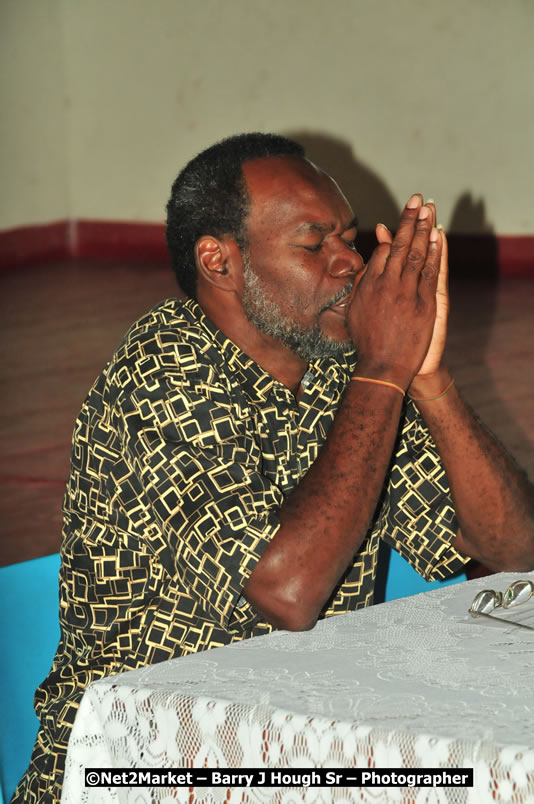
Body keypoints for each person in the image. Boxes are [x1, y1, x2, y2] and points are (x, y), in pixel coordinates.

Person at [13, 132, 534, 802]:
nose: (351, 262)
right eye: (314, 244)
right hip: (145, 762)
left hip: (295, 744)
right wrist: (383, 370)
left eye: (349, 237)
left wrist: (425, 376)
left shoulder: (346, 369)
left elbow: (514, 552)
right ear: (220, 262)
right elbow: (287, 591)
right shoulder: (162, 373)